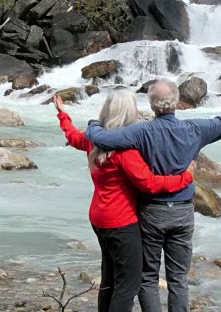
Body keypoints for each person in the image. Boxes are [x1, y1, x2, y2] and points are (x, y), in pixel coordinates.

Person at [85, 77, 221, 312]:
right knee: (178, 278)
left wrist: (92, 124)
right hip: (182, 212)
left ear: (151, 105)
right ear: (178, 102)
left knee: (148, 277)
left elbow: (102, 138)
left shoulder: (140, 132)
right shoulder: (196, 129)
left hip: (152, 212)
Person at [53, 90, 196, 312]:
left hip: (99, 217)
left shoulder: (93, 140)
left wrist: (63, 114)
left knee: (109, 278)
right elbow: (149, 183)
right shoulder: (124, 150)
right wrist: (186, 177)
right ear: (129, 114)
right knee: (128, 285)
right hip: (121, 222)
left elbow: (72, 136)